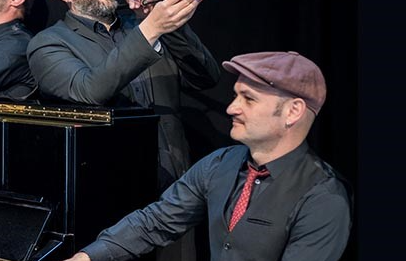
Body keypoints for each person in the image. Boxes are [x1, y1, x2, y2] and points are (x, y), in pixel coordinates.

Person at [28, 0, 221, 261]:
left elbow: (207, 77)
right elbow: (90, 91)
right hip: (111, 196)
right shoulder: (48, 44)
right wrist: (151, 31)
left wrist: (168, 25)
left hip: (175, 187)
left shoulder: (143, 24)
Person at [64, 51, 351, 261]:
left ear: (293, 111)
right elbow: (156, 221)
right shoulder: (220, 164)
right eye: (236, 95)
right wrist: (87, 258)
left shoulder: (323, 198)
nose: (232, 108)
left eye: (248, 99)